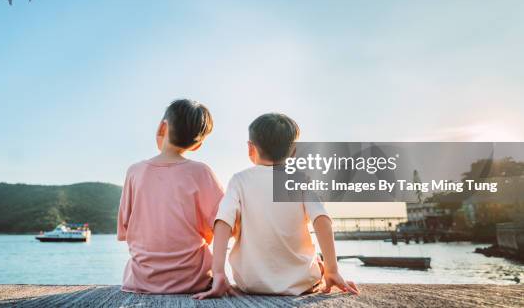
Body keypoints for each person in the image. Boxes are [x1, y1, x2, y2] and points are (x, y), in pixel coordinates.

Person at [193, 113, 359, 298]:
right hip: (301, 282)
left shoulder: (239, 180)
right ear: (294, 151)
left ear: (250, 148)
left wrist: (218, 274)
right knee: (318, 263)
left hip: (250, 283)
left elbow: (223, 223)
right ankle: (320, 270)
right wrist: (332, 270)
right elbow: (322, 221)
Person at [117, 99, 224, 293]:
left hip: (141, 280)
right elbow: (223, 223)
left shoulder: (134, 172)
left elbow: (125, 227)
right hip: (194, 280)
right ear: (197, 145)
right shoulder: (201, 172)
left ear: (162, 127)